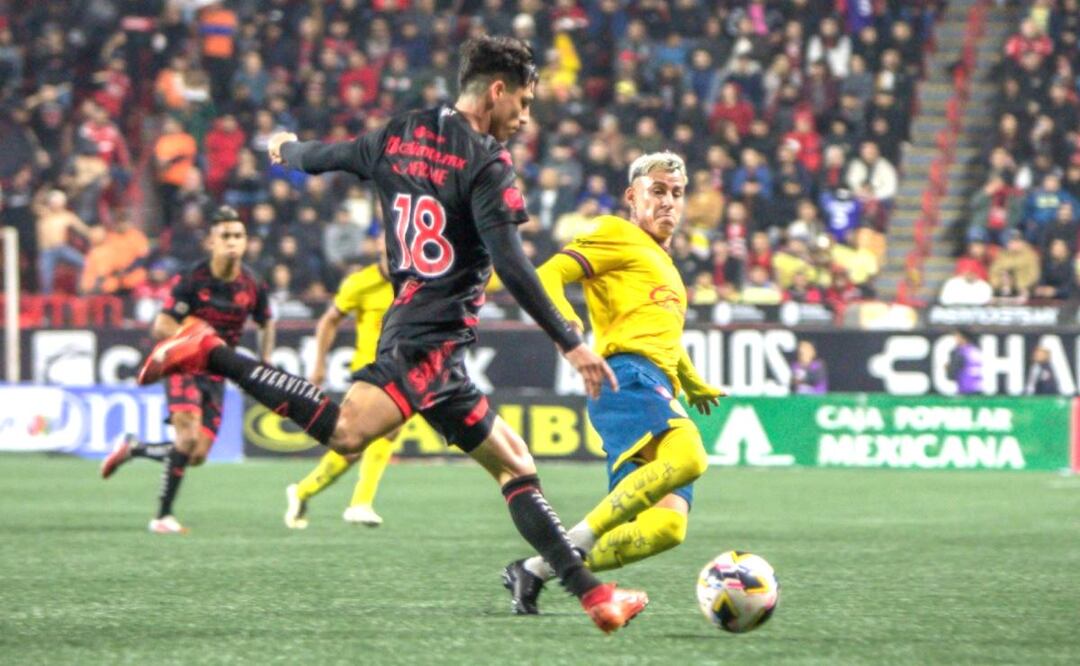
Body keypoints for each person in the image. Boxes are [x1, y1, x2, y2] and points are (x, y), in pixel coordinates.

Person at [134, 36, 645, 633]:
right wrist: (570, 340)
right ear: (496, 91)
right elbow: (511, 265)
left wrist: (285, 148)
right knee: (348, 433)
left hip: (430, 340)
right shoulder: (487, 163)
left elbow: (325, 155)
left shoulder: (399, 133)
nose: (527, 117)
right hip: (429, 335)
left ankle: (593, 596)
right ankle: (212, 351)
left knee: (514, 462)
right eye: (524, 102)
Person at [502, 152, 720, 615]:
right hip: (627, 378)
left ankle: (536, 569)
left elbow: (660, 334)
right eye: (657, 191)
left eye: (677, 193)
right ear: (631, 197)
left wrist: (692, 380)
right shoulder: (616, 232)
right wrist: (566, 327)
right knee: (690, 457)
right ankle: (576, 546)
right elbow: (548, 275)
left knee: (667, 529)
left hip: (655, 382)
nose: (668, 202)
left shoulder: (663, 263)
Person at [100, 206, 274, 534]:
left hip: (219, 372)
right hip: (185, 365)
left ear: (246, 241)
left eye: (238, 236)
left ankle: (135, 449)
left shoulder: (253, 284)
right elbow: (161, 325)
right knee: (187, 436)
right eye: (225, 236)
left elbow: (266, 321)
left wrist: (265, 361)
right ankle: (162, 517)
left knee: (197, 454)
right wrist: (194, 340)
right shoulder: (192, 278)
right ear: (211, 242)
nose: (232, 242)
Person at [283, 237, 401, 529]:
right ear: (378, 250)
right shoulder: (360, 283)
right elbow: (329, 320)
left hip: (402, 369)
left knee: (356, 447)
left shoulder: (414, 282)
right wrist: (319, 364)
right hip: (370, 371)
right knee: (383, 433)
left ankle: (303, 492)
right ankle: (360, 502)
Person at [945, 329, 982, 396]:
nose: (955, 339)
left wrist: (948, 368)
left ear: (963, 338)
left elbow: (952, 374)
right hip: (978, 387)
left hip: (965, 388)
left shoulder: (960, 352)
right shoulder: (975, 350)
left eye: (957, 337)